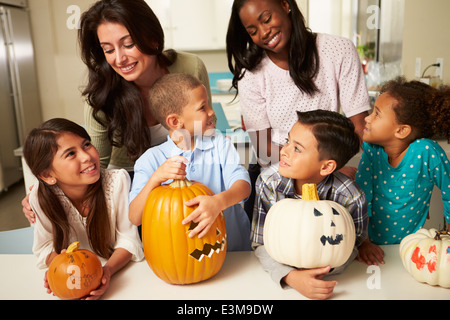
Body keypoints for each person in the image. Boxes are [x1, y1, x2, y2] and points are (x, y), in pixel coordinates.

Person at [22, 0, 212, 223]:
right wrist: (44, 193)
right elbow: (95, 166)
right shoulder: (102, 98)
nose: (119, 59)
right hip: (129, 185)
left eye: (129, 44)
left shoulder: (190, 67)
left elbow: (205, 128)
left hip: (187, 174)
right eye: (108, 50)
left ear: (152, 38)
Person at [226, 0, 371, 216]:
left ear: (285, 5)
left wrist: (329, 169)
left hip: (328, 171)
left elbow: (360, 127)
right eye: (253, 31)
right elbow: (264, 151)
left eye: (267, 19)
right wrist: (308, 171)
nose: (264, 32)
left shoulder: (338, 50)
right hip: (276, 176)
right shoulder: (251, 74)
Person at [251, 110, 368, 300]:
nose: (284, 150)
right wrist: (291, 276)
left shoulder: (350, 196)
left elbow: (351, 246)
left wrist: (319, 271)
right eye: (288, 141)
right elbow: (260, 241)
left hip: (338, 283)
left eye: (297, 149)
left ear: (326, 167)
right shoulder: (268, 182)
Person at [23, 118, 144, 300]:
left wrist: (106, 272)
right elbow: (44, 246)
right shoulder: (39, 197)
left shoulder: (118, 180)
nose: (86, 156)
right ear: (48, 175)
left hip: (124, 274)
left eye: (86, 145)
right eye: (71, 154)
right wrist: (58, 270)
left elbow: (128, 240)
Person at [129, 73, 252, 251]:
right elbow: (135, 217)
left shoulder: (220, 144)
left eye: (208, 104)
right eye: (202, 107)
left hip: (233, 253)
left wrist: (218, 202)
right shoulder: (151, 160)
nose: (211, 111)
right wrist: (155, 179)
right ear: (175, 121)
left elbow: (243, 187)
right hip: (181, 259)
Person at [355, 77, 450, 266]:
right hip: (370, 245)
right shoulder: (372, 149)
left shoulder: (427, 152)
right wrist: (363, 242)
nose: (367, 118)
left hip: (411, 247)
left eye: (376, 114)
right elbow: (362, 196)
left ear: (401, 130)